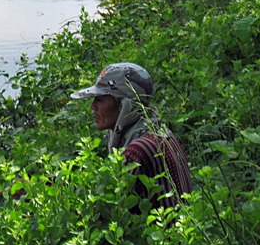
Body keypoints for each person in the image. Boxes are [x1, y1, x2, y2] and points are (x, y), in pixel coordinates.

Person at [71, 62, 193, 210]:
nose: (93, 106)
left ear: (125, 105)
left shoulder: (138, 149)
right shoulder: (160, 132)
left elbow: (113, 209)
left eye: (100, 99)